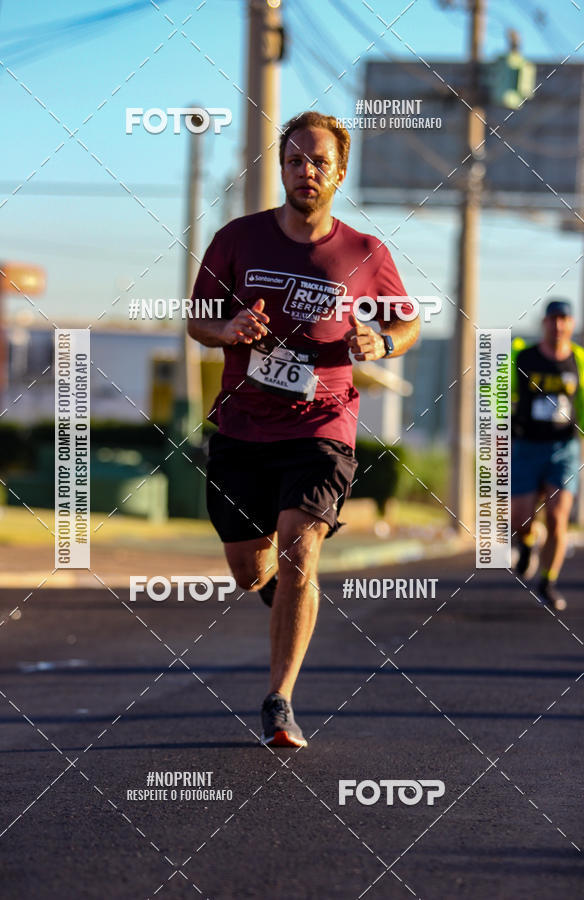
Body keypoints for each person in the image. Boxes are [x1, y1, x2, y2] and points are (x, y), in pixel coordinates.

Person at [188, 111, 419, 747]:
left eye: (319, 162)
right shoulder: (238, 238)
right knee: (249, 568)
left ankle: (279, 698)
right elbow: (198, 319)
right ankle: (284, 596)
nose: (306, 171)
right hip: (241, 425)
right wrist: (227, 329)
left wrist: (382, 340)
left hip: (323, 423)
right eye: (295, 160)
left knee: (299, 550)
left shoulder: (365, 254)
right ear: (282, 168)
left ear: (339, 173)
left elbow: (407, 324)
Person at [511, 298, 584, 611]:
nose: (558, 325)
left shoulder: (579, 361)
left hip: (563, 448)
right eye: (553, 319)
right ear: (544, 323)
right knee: (520, 518)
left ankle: (548, 581)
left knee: (557, 518)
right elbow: (499, 394)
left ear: (571, 324)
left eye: (564, 319)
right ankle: (526, 542)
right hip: (526, 446)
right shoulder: (522, 356)